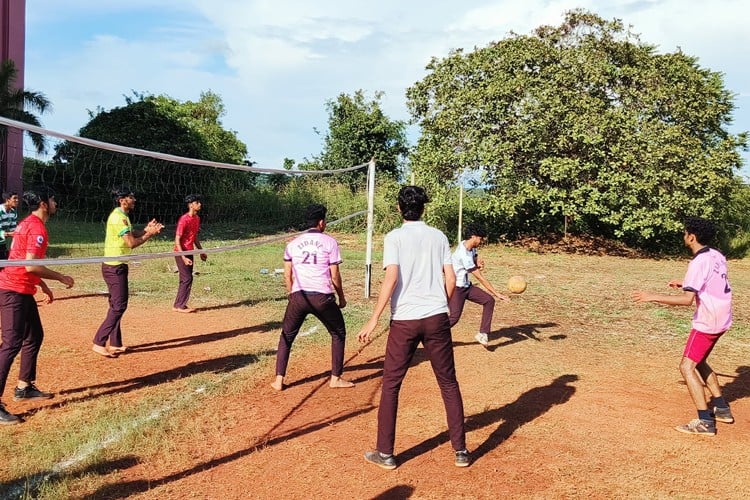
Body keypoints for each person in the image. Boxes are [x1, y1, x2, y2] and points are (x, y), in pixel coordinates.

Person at [358, 185, 470, 470]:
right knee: (448, 382)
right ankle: (461, 451)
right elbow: (451, 278)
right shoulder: (439, 236)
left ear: (399, 208)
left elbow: (392, 278)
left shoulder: (394, 237)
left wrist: (374, 319)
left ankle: (386, 454)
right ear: (424, 208)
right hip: (436, 318)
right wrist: (438, 304)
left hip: (405, 321)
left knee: (392, 385)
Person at [633, 217, 734, 436]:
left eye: (685, 233)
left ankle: (705, 421)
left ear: (691, 237)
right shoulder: (716, 254)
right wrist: (686, 282)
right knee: (700, 360)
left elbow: (686, 300)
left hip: (708, 321)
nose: (683, 236)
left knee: (686, 366)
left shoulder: (697, 262)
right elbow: (712, 280)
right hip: (723, 318)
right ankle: (722, 408)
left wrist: (652, 296)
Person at [0, 189, 74, 425]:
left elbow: (24, 261)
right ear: (44, 204)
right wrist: (60, 277)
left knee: (34, 336)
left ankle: (24, 387)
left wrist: (42, 286)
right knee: (11, 344)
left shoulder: (27, 223)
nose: (55, 203)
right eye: (52, 200)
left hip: (22, 289)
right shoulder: (36, 227)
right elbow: (31, 265)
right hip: (13, 290)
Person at [271, 204, 354, 391]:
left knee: (286, 336)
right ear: (321, 222)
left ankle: (278, 380)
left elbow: (287, 274)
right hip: (322, 297)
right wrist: (341, 297)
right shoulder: (330, 242)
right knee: (338, 333)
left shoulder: (292, 244)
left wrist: (291, 294)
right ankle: (336, 378)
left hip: (298, 296)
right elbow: (335, 276)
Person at [92, 186, 164, 357]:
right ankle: (98, 341)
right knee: (119, 306)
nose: (134, 200)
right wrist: (150, 234)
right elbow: (131, 242)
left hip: (117, 265)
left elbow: (132, 233)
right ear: (122, 200)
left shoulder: (123, 216)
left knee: (115, 305)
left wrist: (147, 230)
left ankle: (115, 343)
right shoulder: (118, 218)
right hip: (114, 266)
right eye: (131, 197)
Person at [449, 222, 509, 347]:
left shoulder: (471, 247)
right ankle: (431, 334)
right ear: (473, 236)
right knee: (454, 318)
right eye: (480, 238)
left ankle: (483, 333)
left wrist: (478, 264)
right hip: (457, 288)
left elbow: (475, 259)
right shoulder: (463, 254)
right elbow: (480, 278)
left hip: (467, 286)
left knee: (488, 301)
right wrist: (498, 294)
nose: (481, 241)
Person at [173, 194, 207, 313]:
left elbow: (194, 237)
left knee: (186, 278)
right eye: (197, 202)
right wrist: (183, 257)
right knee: (187, 278)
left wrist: (201, 251)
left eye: (199, 202)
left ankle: (178, 304)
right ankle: (180, 305)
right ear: (191, 205)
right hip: (180, 252)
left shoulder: (196, 219)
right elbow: (177, 240)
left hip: (190, 250)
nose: (200, 204)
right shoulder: (184, 219)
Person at [0, 191, 19, 260]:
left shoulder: (13, 213)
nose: (17, 200)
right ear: (7, 200)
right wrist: (10, 234)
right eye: (14, 198)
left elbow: (14, 230)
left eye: (17, 198)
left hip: (2, 243)